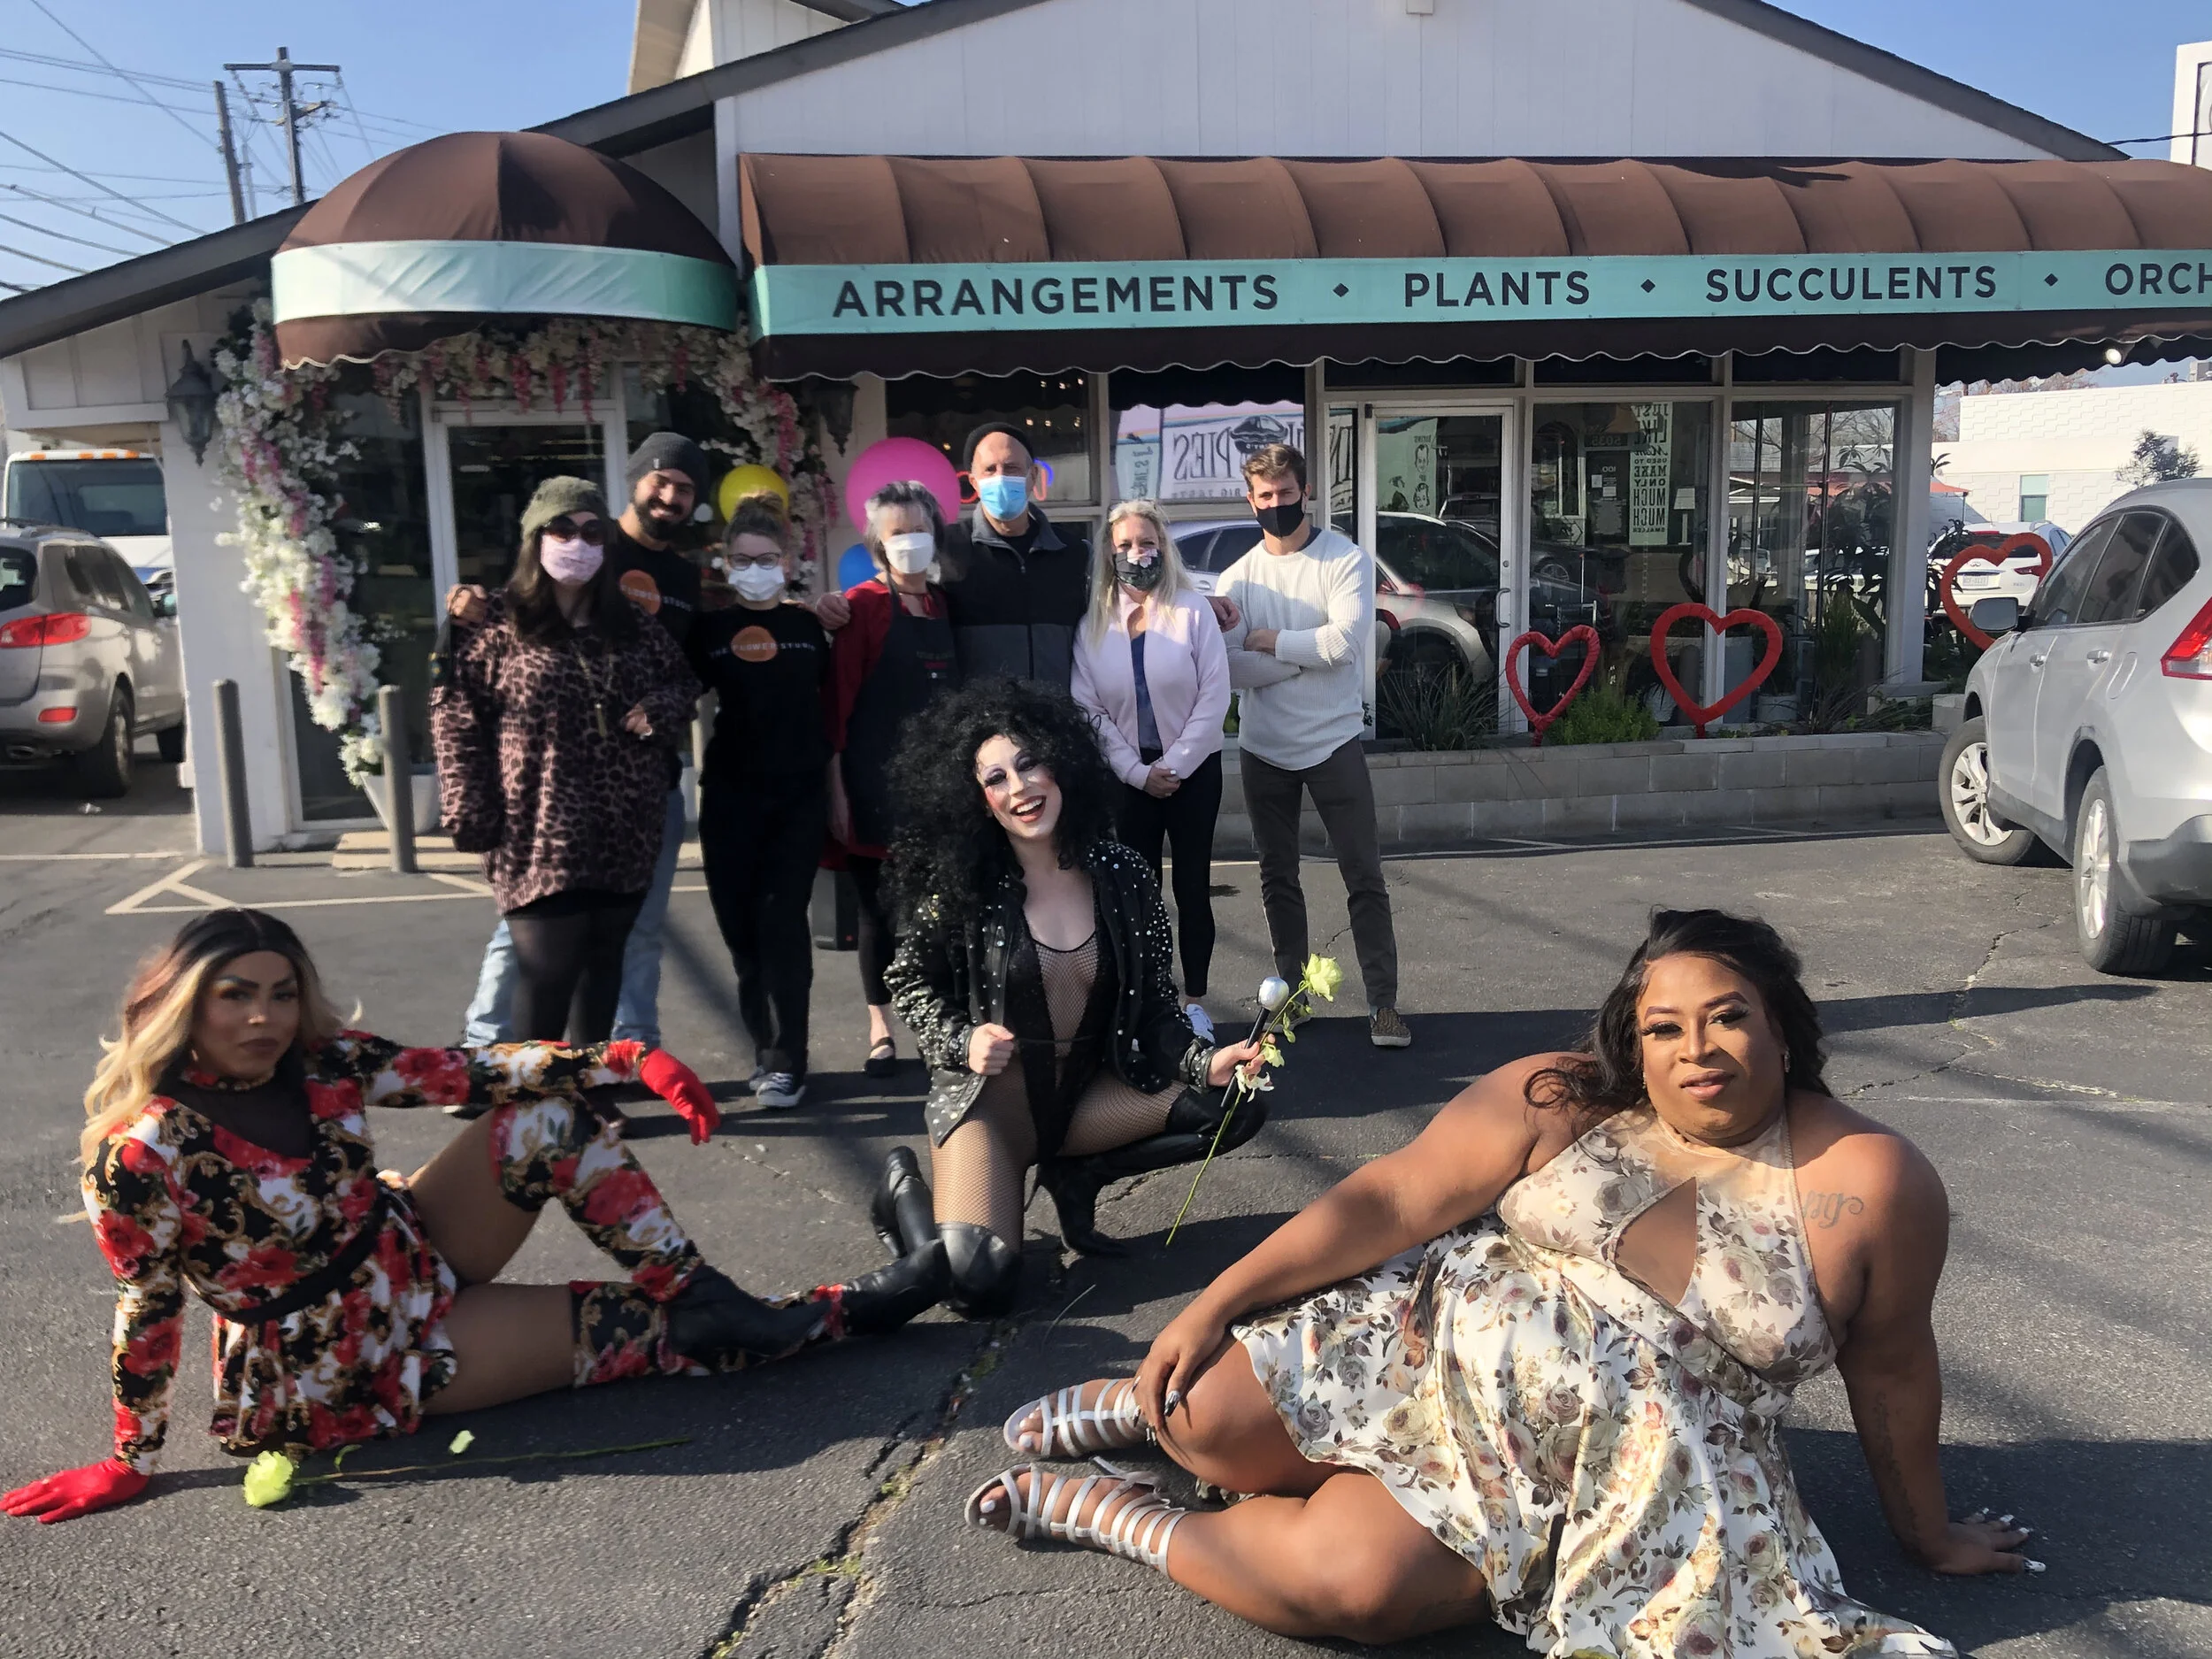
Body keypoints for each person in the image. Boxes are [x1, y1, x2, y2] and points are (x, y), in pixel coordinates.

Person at [964, 910, 2035, 1655]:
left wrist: (1924, 1535)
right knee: (1198, 1417)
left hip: (1611, 1475)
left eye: (1728, 1015)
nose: (1696, 1049)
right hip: (1419, 1353)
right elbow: (1388, 1201)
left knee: (1362, 1594)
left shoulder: (1870, 1179)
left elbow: (1892, 1366)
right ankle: (1137, 1414)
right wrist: (1212, 1306)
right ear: (1633, 1039)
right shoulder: (1563, 1095)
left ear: (1782, 1025)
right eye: (1663, 1028)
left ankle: (1119, 1516)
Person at [1, 908, 946, 1524]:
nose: (265, 1019)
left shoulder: (322, 1061)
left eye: (281, 994)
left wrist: (624, 1060)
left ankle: (704, 1287)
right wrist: (130, 1458)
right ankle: (842, 1310)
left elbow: (465, 1073)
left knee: (542, 1117)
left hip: (408, 1244)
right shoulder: (143, 1152)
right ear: (181, 1006)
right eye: (235, 997)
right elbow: (150, 1306)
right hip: (345, 1358)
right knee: (651, 1340)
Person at [880, 680, 1265, 1316]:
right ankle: (902, 1191)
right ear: (977, 800)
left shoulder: (1125, 874)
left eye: (1029, 763)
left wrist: (1205, 1062)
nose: (1019, 788)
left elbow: (1157, 1009)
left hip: (1086, 1099)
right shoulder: (966, 885)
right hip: (992, 1111)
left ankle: (1078, 1172)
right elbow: (908, 979)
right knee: (980, 1281)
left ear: (1061, 763)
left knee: (1236, 1102)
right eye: (995, 778)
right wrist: (961, 1039)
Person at [453, 432, 710, 1056]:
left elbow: (685, 673)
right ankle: (496, 1060)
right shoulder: (519, 599)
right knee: (537, 953)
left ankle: (614, 1066)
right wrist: (470, 805)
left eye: (684, 488)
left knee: (623, 946)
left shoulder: (661, 596)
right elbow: (458, 707)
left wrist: (661, 708)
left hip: (630, 809)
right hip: (540, 813)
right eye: (660, 481)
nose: (579, 545)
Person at [1217, 442, 1410, 1051]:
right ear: (1251, 500)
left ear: (1307, 491)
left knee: (1364, 875)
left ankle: (1383, 1004)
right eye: (1265, 496)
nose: (1277, 504)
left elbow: (1344, 646)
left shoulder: (1345, 559)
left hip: (1334, 744)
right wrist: (1294, 661)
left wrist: (1269, 639)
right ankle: (1292, 1000)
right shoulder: (1236, 577)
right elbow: (1229, 669)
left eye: (1286, 492)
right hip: (1263, 747)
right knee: (1278, 876)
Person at [687, 500, 834, 1111]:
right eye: (743, 560)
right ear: (725, 563)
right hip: (728, 799)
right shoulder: (709, 631)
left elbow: (838, 706)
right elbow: (672, 688)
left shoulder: (810, 627)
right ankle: (763, 1046)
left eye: (766, 559)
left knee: (781, 926)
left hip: (797, 797)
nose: (754, 569)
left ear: (788, 561)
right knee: (741, 931)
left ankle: (787, 1060)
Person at [1071, 499, 1230, 1041]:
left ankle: (1194, 1001)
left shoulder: (1193, 610)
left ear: (1163, 544)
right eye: (1124, 546)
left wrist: (1176, 766)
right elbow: (1087, 707)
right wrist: (1138, 775)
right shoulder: (1093, 624)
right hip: (1127, 782)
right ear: (1108, 554)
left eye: (1146, 542)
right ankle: (1145, 999)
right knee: (1132, 894)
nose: (1137, 554)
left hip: (1194, 776)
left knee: (1192, 888)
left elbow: (1215, 696)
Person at [827, 480, 960, 1078]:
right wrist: (835, 790)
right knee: (877, 913)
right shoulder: (860, 607)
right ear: (878, 545)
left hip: (940, 787)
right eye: (897, 532)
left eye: (919, 529)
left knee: (938, 909)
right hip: (872, 781)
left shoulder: (943, 605)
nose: (910, 541)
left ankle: (938, 1018)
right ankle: (880, 1024)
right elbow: (836, 705)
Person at [933, 423, 1092, 687]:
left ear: (1033, 476)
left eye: (1011, 468)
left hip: (1060, 721)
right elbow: (895, 593)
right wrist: (841, 606)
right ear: (974, 482)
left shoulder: (1075, 555)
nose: (1001, 477)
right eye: (990, 470)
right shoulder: (945, 550)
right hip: (979, 724)